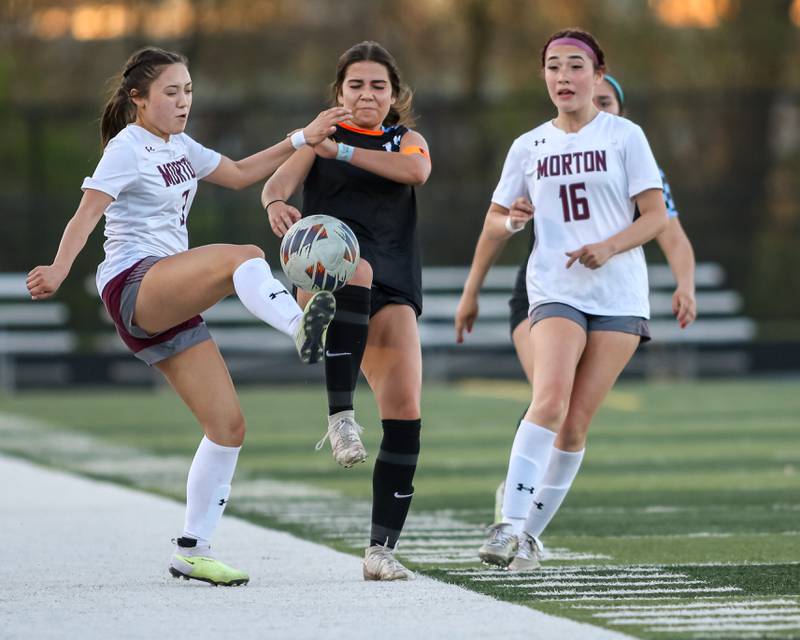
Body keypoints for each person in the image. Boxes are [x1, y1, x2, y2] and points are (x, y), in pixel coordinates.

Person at [25, 46, 351, 586]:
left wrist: (304, 137)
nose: (183, 101)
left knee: (227, 427)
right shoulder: (128, 148)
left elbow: (244, 173)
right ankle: (300, 327)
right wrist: (60, 269)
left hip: (168, 295)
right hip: (134, 285)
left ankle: (193, 549)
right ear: (139, 99)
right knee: (243, 256)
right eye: (171, 92)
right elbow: (87, 215)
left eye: (189, 90)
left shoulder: (181, 146)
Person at [466, 28, 669, 571]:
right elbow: (495, 217)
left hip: (620, 295)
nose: (564, 76)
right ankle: (506, 524)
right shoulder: (529, 145)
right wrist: (512, 220)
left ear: (598, 75)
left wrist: (609, 245)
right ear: (544, 77)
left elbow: (655, 217)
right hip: (554, 289)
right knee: (549, 400)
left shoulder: (625, 136)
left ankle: (529, 534)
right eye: (554, 66)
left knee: (576, 423)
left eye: (576, 66)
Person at [262, 41, 431, 581]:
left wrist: (346, 154)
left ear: (394, 95)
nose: (366, 94)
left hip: (393, 284)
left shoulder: (407, 141)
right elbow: (276, 183)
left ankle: (380, 551)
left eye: (377, 85)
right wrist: (275, 205)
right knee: (353, 268)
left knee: (405, 415)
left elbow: (416, 174)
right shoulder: (320, 139)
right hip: (326, 273)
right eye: (355, 85)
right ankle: (339, 418)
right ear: (338, 93)